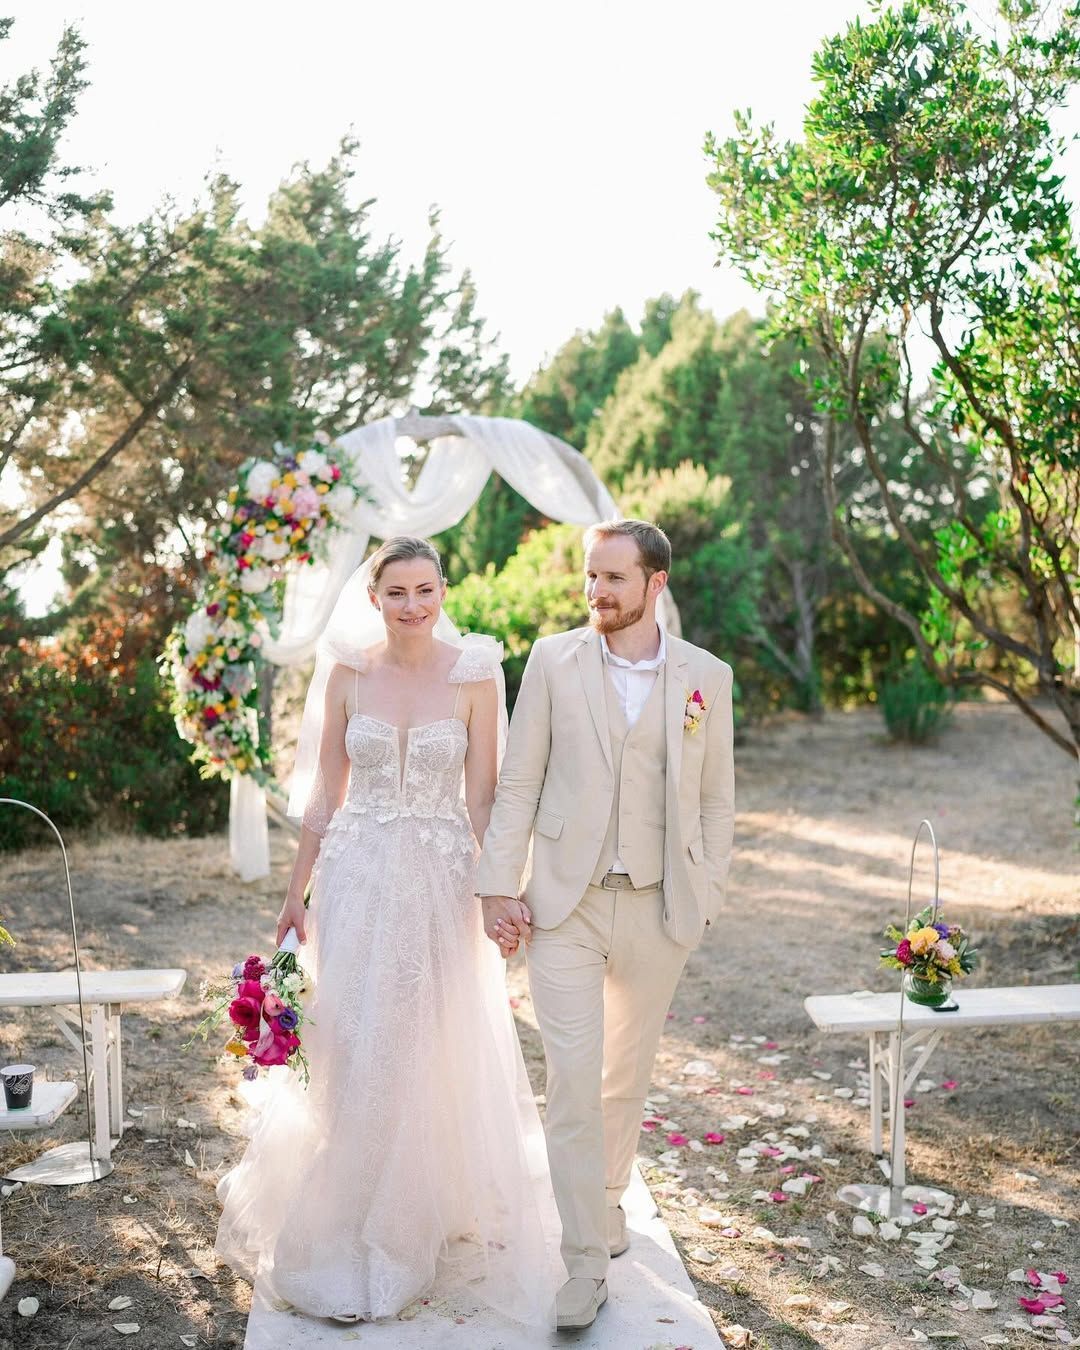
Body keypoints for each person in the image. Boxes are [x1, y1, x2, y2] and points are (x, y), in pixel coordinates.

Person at [215, 535, 554, 1327]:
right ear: (375, 598)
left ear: (443, 590)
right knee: (357, 1042)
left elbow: (483, 801)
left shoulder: (475, 671)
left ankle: (409, 1217)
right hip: (357, 881)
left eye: (426, 590)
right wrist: (296, 894)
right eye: (397, 592)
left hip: (438, 884)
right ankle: (350, 1207)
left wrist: (494, 892)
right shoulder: (349, 671)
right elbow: (325, 799)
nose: (413, 605)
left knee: (418, 1042)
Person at [477, 519, 735, 1332]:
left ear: (655, 583)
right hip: (567, 902)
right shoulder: (553, 661)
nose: (596, 593)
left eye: (613, 579)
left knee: (626, 1079)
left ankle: (610, 1201)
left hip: (661, 904)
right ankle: (584, 1264)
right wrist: (496, 885)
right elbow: (519, 781)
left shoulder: (706, 678)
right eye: (590, 577)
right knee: (575, 1082)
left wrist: (711, 887)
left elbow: (717, 795)